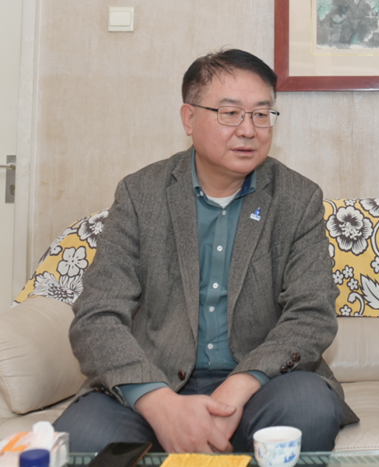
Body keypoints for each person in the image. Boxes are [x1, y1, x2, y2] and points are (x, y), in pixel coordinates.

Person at [53, 48, 357, 454]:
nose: (249, 130)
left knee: (308, 408)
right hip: (155, 382)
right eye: (230, 113)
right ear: (189, 118)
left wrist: (241, 384)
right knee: (83, 436)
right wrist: (158, 403)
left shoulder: (297, 198)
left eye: (261, 114)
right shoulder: (140, 194)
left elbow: (312, 313)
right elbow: (97, 314)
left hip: (260, 385)